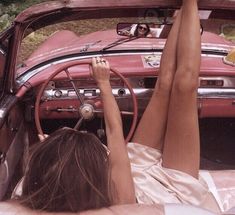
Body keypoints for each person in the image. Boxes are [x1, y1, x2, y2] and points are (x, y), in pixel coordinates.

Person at [0, 0, 226, 214]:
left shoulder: (30, 190)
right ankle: (190, 3)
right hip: (170, 191)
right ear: (100, 168)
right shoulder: (120, 195)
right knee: (183, 85)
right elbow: (114, 130)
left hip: (129, 175)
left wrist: (53, 152)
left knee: (167, 85)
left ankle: (183, 15)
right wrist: (104, 82)